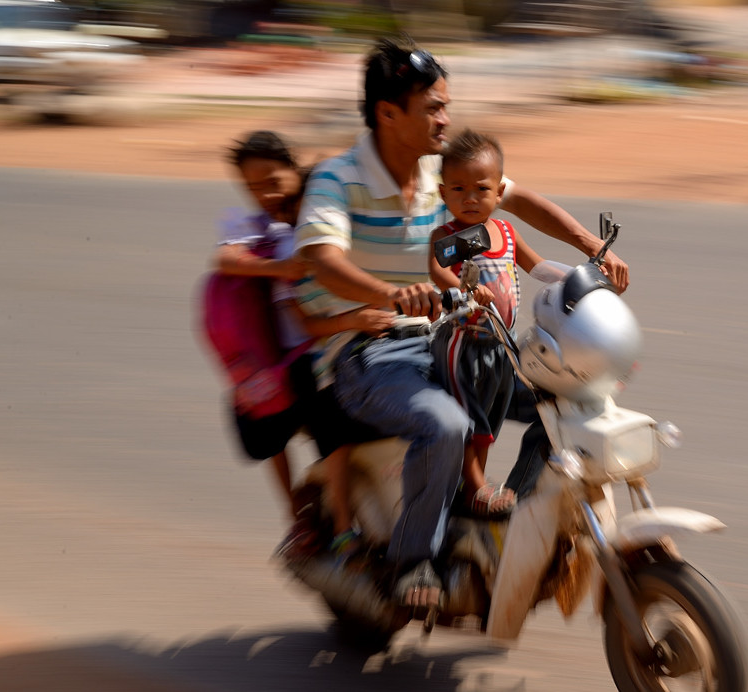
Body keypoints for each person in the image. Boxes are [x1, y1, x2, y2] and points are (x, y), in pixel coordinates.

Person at [293, 37, 629, 609]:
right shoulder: (336, 178)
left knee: (567, 397)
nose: (445, 118)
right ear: (388, 113)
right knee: (445, 425)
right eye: (433, 108)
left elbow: (516, 201)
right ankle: (412, 560)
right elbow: (321, 257)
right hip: (369, 351)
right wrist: (393, 293)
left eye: (445, 106)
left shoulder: (442, 174)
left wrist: (589, 244)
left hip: (457, 340)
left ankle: (507, 524)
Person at [215, 130, 388, 555]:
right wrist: (281, 268)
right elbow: (224, 258)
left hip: (319, 347)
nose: (264, 195)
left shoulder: (317, 212)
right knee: (322, 421)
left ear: (295, 173)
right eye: (253, 187)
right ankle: (324, 523)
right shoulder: (274, 235)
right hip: (299, 357)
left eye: (273, 182)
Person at [428, 128, 544, 518]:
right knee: (470, 415)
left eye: (481, 189)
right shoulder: (453, 236)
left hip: (501, 345)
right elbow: (438, 267)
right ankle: (476, 486)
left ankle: (482, 489)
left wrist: (579, 277)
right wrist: (464, 287)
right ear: (443, 194)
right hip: (464, 342)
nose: (471, 198)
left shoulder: (506, 233)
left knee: (491, 417)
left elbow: (538, 266)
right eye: (458, 189)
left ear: (499, 193)